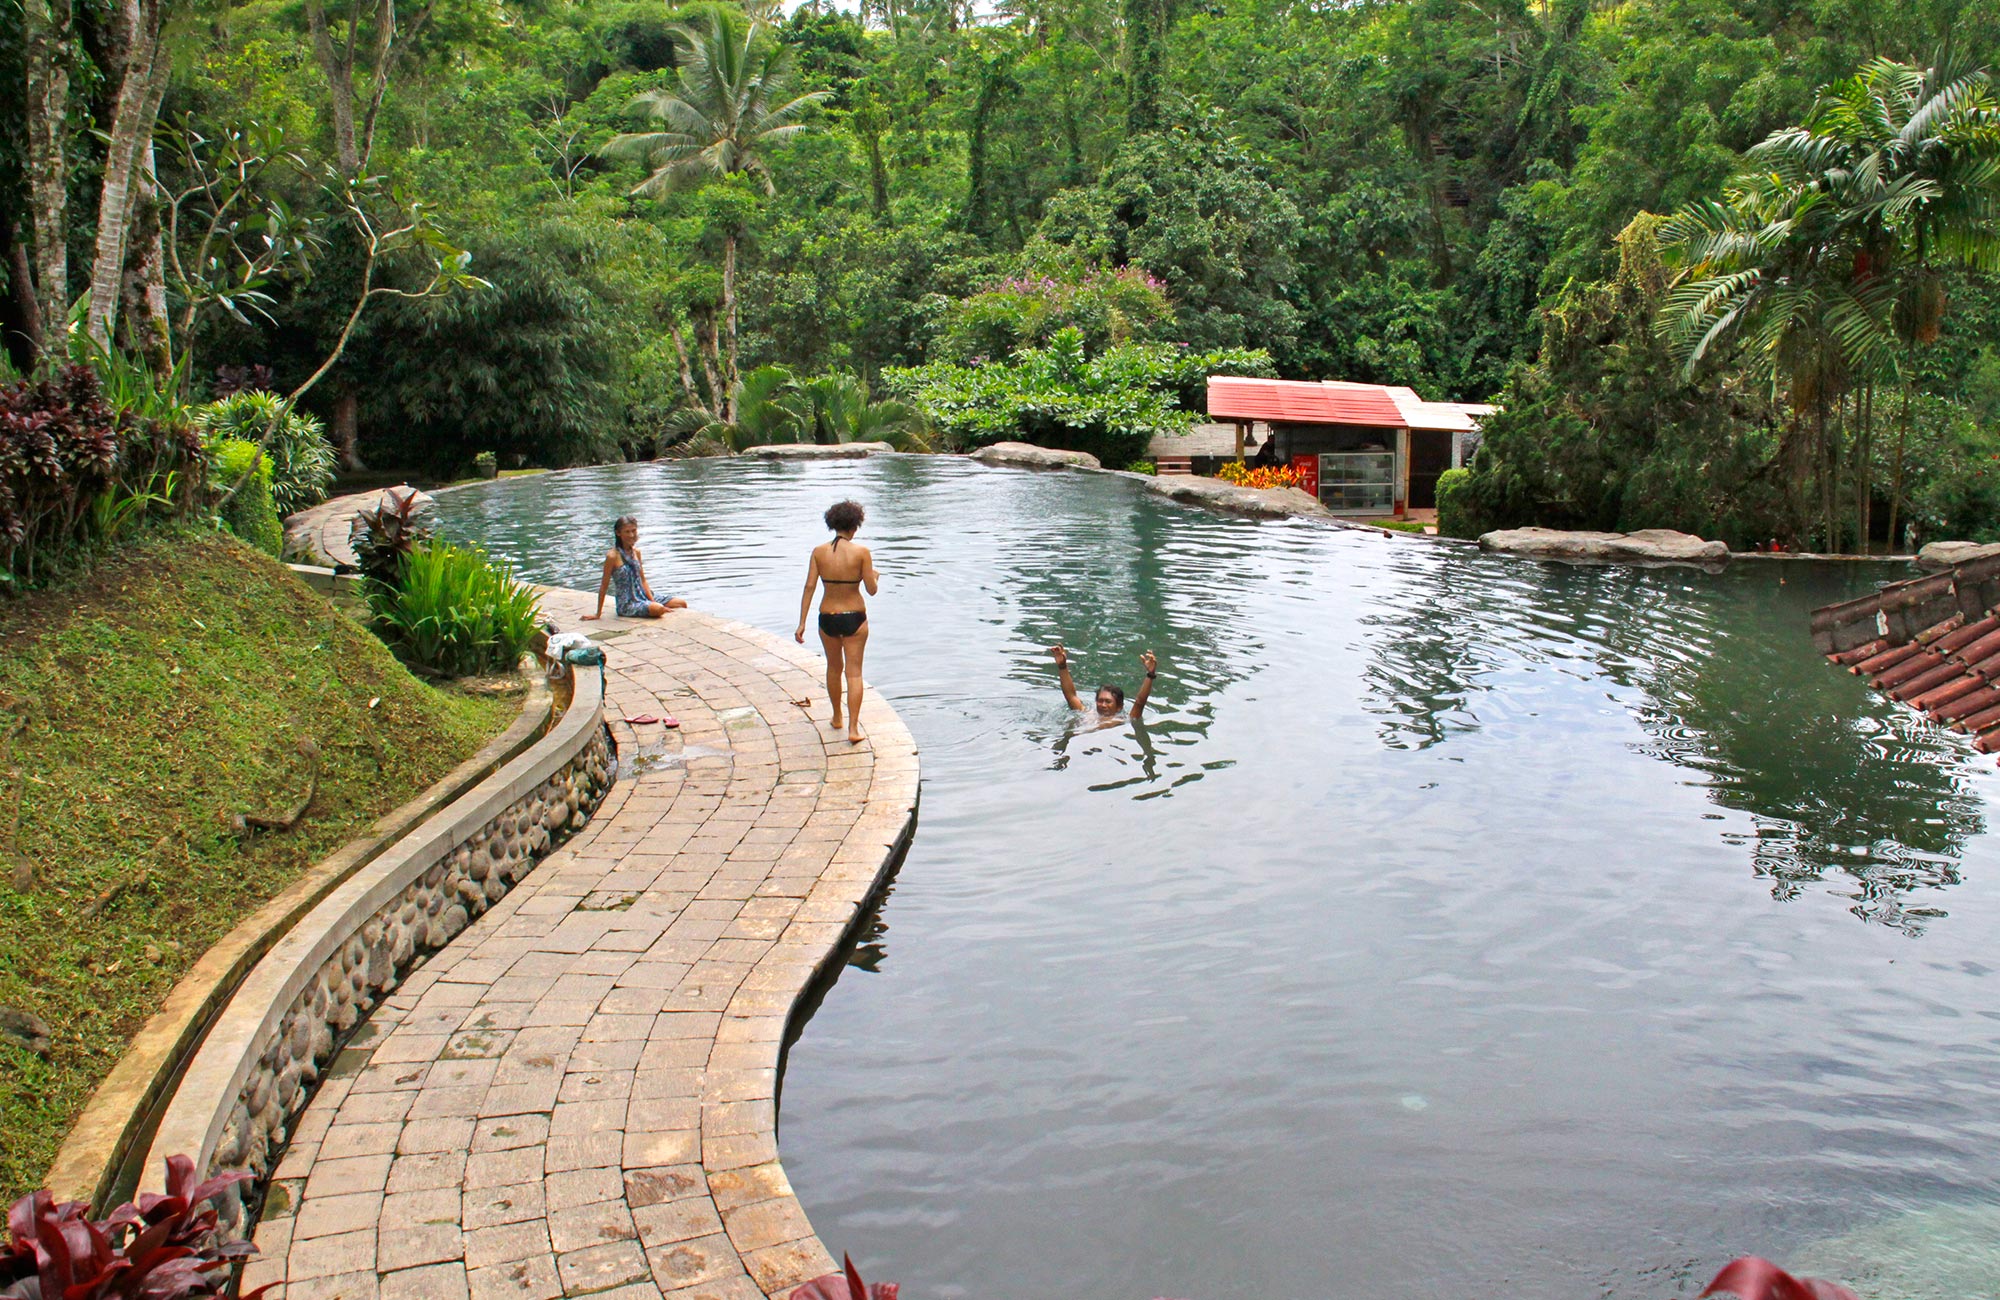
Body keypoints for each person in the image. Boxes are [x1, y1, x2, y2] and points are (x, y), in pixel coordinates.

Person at [795, 500, 879, 744]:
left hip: (827, 617)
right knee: (854, 674)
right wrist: (874, 577)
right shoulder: (861, 552)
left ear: (832, 524)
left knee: (834, 668)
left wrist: (802, 622)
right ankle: (853, 729)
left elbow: (809, 586)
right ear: (855, 525)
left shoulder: (819, 552)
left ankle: (836, 716)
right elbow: (871, 590)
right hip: (854, 617)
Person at [583, 516, 686, 620]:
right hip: (628, 603)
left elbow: (643, 579)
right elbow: (604, 585)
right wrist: (598, 614)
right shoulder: (612, 556)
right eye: (627, 532)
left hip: (644, 595)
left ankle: (653, 605)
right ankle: (653, 606)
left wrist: (652, 600)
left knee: (681, 603)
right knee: (658, 609)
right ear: (618, 533)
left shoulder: (636, 552)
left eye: (634, 531)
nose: (631, 535)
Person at [1049, 643, 1157, 722]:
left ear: (1119, 707)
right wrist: (1062, 666)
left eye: (1108, 702)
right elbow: (1071, 695)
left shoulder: (1122, 721)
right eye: (1100, 701)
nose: (1103, 705)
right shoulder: (1086, 714)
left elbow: (1139, 702)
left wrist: (1150, 675)